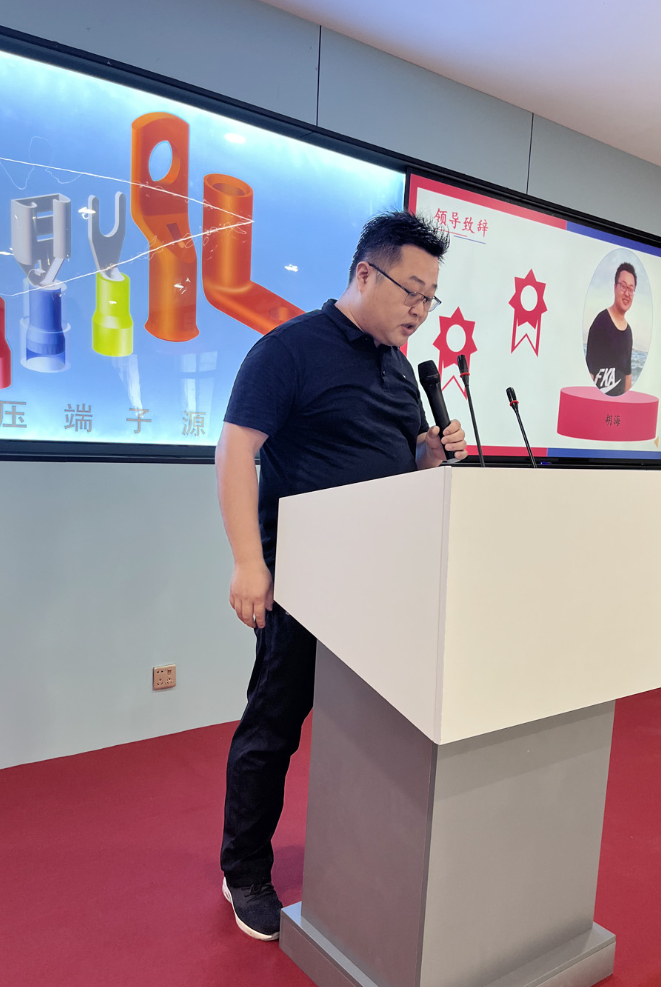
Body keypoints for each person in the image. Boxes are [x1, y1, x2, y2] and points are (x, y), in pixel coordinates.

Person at [215, 210, 468, 941]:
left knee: (368, 730)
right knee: (275, 725)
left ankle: (356, 855)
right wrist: (249, 562)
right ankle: (243, 868)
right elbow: (235, 452)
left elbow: (394, 467)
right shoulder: (289, 349)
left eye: (431, 298)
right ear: (365, 273)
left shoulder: (399, 367)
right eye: (412, 292)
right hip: (302, 581)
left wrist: (428, 454)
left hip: (379, 585)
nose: (420, 310)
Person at [585, 262, 636, 396]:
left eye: (631, 289)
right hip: (599, 402)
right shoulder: (600, 322)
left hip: (617, 405)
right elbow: (589, 372)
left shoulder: (628, 332)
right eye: (623, 286)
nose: (627, 293)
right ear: (615, 287)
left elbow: (627, 375)